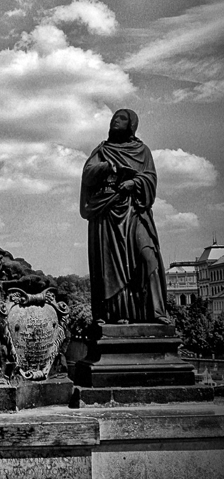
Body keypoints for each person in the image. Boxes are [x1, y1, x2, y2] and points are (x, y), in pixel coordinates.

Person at [80, 109, 168, 324]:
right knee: (112, 266)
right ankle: (116, 315)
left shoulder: (142, 151)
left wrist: (134, 182)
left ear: (131, 125)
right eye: (114, 118)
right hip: (108, 212)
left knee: (148, 257)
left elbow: (150, 179)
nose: (115, 121)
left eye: (121, 118)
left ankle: (156, 312)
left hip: (135, 211)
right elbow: (88, 174)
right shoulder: (103, 150)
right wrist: (110, 166)